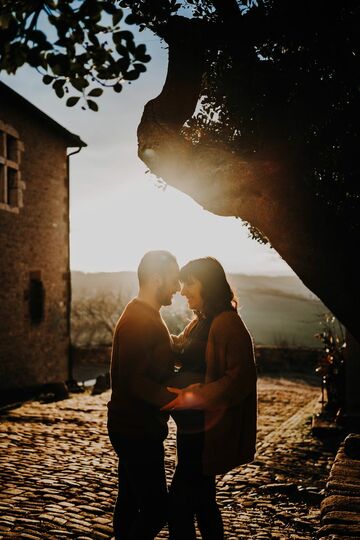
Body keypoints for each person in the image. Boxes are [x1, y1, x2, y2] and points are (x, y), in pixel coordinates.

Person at [163, 257, 257, 540]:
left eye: (189, 283)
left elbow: (240, 378)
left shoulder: (227, 323)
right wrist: (152, 330)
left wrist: (194, 396)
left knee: (179, 505)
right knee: (203, 503)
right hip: (193, 430)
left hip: (206, 431)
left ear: (209, 284)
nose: (182, 291)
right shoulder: (201, 321)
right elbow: (181, 346)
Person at [107, 250, 180, 540]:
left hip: (130, 426)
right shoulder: (140, 320)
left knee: (128, 501)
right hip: (137, 429)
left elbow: (151, 360)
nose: (177, 287)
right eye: (173, 280)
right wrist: (181, 398)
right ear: (155, 278)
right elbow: (136, 381)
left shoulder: (145, 315)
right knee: (156, 510)